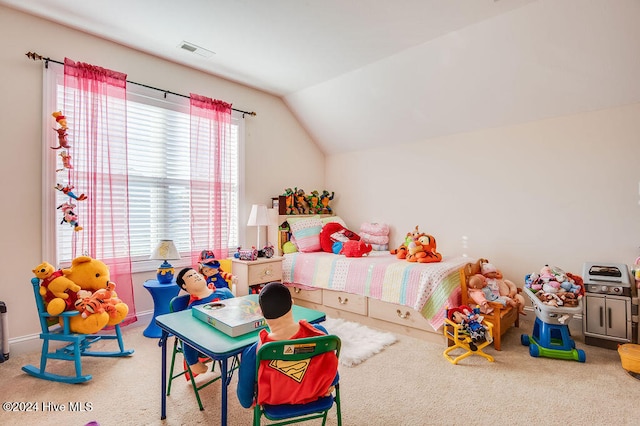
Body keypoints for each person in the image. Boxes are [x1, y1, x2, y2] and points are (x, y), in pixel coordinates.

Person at [236, 282, 339, 408]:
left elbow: (245, 401)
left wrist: (250, 403)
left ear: (261, 313)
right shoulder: (320, 334)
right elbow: (333, 374)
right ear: (292, 303)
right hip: (316, 395)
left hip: (275, 403)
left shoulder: (254, 351)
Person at [175, 267, 235, 375]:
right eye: (190, 276)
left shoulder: (224, 292)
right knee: (189, 331)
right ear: (184, 286)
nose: (195, 276)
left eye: (196, 273)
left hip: (232, 334)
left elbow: (239, 310)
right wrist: (193, 362)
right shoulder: (192, 309)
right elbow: (188, 337)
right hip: (211, 342)